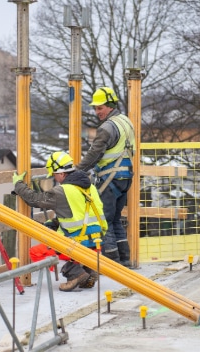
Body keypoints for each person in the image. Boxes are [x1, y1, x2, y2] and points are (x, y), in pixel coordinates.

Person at [13, 151, 108, 292]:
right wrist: (57, 222)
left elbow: (34, 199)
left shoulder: (62, 191)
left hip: (78, 241)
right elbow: (81, 212)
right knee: (68, 242)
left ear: (62, 173)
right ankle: (89, 269)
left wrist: (19, 185)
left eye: (54, 174)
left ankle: (74, 273)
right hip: (98, 241)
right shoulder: (90, 187)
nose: (54, 178)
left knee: (37, 252)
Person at [75, 87, 135, 268]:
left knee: (104, 222)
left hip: (110, 179)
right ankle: (125, 260)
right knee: (115, 220)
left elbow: (94, 154)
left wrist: (77, 172)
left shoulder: (107, 128)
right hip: (125, 179)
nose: (97, 112)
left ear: (110, 106)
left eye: (100, 108)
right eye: (95, 108)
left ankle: (112, 265)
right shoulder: (126, 121)